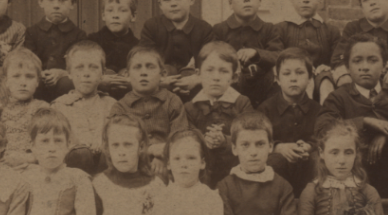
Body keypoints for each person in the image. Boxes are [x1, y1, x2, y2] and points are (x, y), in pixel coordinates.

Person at [316, 30, 388, 198]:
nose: (364, 66)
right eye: (357, 61)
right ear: (347, 67)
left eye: (372, 60)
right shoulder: (339, 97)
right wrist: (365, 122)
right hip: (354, 171)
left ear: (384, 65)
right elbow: (322, 129)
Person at [108, 45, 188, 178]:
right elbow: (118, 141)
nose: (143, 72)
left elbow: (179, 136)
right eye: (137, 67)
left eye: (150, 67)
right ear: (127, 75)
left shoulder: (172, 101)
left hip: (169, 161)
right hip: (132, 162)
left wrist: (164, 155)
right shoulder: (120, 107)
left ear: (162, 75)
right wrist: (151, 151)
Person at [183, 41, 252, 189]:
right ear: (198, 74)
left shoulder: (241, 103)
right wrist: (204, 141)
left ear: (234, 77)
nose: (216, 77)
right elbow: (186, 138)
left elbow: (249, 135)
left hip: (234, 167)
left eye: (223, 71)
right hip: (202, 171)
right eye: (209, 70)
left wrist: (225, 141)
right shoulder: (190, 107)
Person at [268, 0, 340, 101]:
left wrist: (328, 67)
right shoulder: (280, 29)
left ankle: (328, 115)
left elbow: (337, 61)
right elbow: (276, 58)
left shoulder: (331, 31)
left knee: (326, 84)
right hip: (292, 80)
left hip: (322, 80)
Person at [138, 0, 213, 99]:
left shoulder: (204, 29)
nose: (173, 3)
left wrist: (196, 79)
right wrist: (159, 80)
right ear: (160, 5)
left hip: (194, 90)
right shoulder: (151, 27)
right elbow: (144, 61)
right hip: (159, 88)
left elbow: (213, 64)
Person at [256, 47, 319, 196]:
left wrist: (309, 146)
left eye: (300, 73)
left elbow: (325, 136)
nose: (293, 78)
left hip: (307, 172)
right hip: (278, 174)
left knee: (318, 160)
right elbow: (257, 138)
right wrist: (278, 147)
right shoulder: (265, 109)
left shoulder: (319, 110)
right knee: (274, 161)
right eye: (286, 73)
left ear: (310, 78)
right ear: (277, 79)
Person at [209, 0, 277, 106]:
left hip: (263, 96)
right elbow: (213, 58)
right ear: (230, 3)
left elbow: (278, 55)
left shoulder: (269, 29)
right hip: (230, 95)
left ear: (260, 0)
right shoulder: (220, 30)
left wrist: (256, 53)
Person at [54, 40, 114, 176]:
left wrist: (102, 138)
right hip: (74, 166)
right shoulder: (60, 105)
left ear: (103, 73)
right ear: (69, 73)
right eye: (79, 68)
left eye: (93, 67)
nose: (86, 73)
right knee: (82, 154)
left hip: (104, 165)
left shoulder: (111, 104)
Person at [24, 0, 82, 100]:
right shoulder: (32, 32)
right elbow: (28, 62)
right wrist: (40, 73)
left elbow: (80, 66)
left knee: (67, 84)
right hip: (39, 84)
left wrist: (63, 73)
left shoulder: (79, 35)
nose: (56, 5)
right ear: (41, 1)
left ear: (72, 2)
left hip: (66, 88)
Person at [0, 47, 45, 169]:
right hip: (4, 167)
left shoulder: (42, 110)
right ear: (6, 81)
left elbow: (52, 147)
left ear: (37, 81)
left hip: (34, 166)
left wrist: (28, 158)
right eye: (16, 76)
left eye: (29, 76)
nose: (23, 82)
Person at [90, 0, 140, 99]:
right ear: (103, 15)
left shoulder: (139, 46)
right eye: (110, 10)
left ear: (133, 16)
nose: (115, 15)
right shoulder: (92, 41)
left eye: (122, 10)